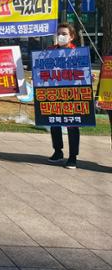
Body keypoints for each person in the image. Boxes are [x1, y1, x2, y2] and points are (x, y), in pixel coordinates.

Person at [47, 23, 80, 169]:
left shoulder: (78, 53)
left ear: (71, 36)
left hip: (71, 93)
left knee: (72, 124)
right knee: (55, 122)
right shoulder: (49, 51)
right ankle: (58, 151)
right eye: (59, 33)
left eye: (64, 33)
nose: (61, 36)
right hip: (53, 91)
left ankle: (73, 156)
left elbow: (83, 72)